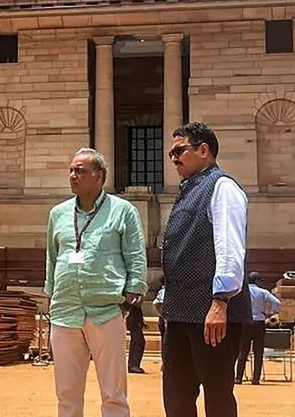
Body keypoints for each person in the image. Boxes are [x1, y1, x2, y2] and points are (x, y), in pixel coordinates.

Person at [45, 147, 148, 417]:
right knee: (66, 394)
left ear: (99, 177)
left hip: (107, 310)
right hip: (65, 312)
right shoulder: (58, 214)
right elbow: (52, 260)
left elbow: (136, 256)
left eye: (80, 171)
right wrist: (52, 298)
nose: (72, 176)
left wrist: (129, 300)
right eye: (71, 170)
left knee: (113, 393)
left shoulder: (123, 211)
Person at [160, 121, 250, 417]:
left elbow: (229, 247)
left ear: (203, 150)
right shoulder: (188, 190)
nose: (173, 157)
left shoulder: (222, 186)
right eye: (171, 152)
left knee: (217, 397)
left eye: (179, 150)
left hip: (213, 314)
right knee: (177, 396)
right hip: (180, 310)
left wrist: (220, 301)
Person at [234, 272, 280, 385]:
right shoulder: (263, 292)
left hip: (245, 321)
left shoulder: (242, 292)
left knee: (243, 351)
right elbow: (277, 302)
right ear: (257, 281)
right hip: (259, 322)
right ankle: (255, 379)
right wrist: (271, 313)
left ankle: (238, 378)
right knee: (258, 352)